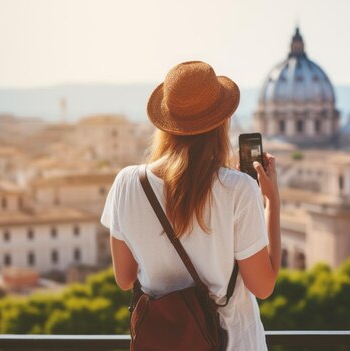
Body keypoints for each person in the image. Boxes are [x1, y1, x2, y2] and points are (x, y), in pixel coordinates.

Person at [100, 61, 281, 350]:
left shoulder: (127, 183)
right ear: (221, 123)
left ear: (166, 125)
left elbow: (124, 279)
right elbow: (263, 285)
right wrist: (272, 204)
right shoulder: (238, 189)